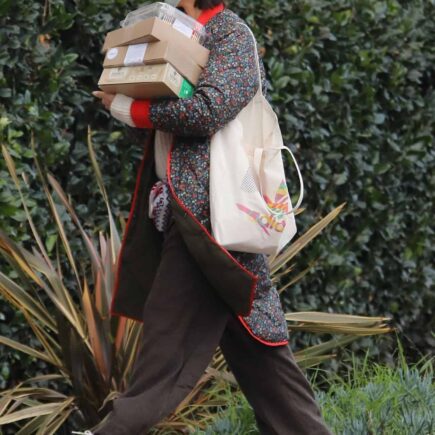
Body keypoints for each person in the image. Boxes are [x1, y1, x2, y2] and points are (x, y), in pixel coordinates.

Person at [88, 0, 333, 434]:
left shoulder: (231, 35)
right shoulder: (172, 29)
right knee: (262, 355)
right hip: (192, 218)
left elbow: (208, 111)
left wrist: (126, 108)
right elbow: (174, 127)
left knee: (163, 358)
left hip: (211, 223)